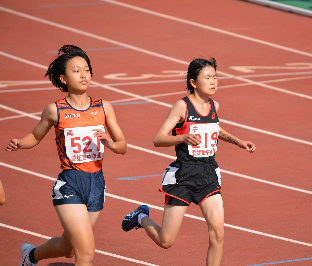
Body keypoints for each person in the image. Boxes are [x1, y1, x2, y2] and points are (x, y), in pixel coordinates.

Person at [121, 58, 256, 266]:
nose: (213, 82)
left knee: (218, 233)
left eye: (215, 77)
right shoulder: (182, 106)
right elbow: (158, 139)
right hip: (183, 174)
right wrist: (182, 138)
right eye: (207, 77)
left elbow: (214, 128)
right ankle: (140, 217)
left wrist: (238, 142)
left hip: (208, 173)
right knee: (166, 241)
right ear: (193, 82)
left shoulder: (214, 105)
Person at [5, 45, 127, 266]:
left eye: (87, 70)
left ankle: (30, 256)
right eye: (76, 70)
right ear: (63, 78)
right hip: (70, 184)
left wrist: (109, 142)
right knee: (86, 254)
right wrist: (20, 143)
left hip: (96, 184)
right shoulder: (55, 110)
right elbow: (35, 135)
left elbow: (123, 146)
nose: (83, 75)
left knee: (67, 249)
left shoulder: (104, 107)